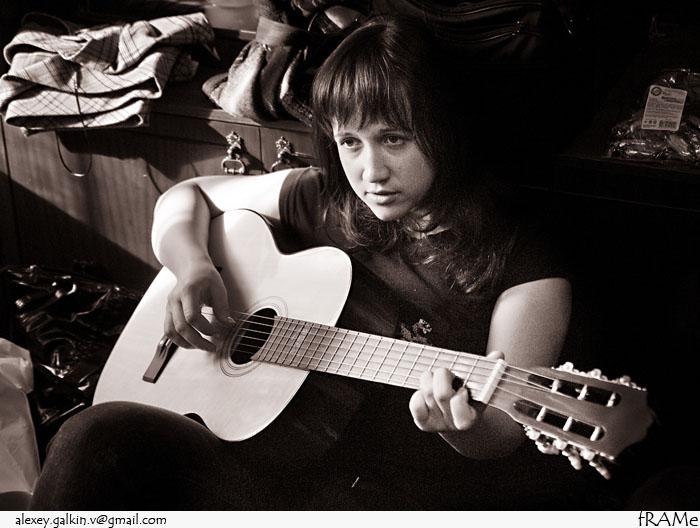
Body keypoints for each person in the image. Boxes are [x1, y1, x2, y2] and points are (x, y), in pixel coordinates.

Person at [30, 15, 577, 510]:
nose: (371, 172)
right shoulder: (322, 201)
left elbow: (504, 432)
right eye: (350, 142)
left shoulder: (523, 258)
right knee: (88, 435)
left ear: (446, 130)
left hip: (378, 490)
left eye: (393, 139)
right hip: (245, 454)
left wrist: (459, 427)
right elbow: (185, 196)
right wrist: (194, 267)